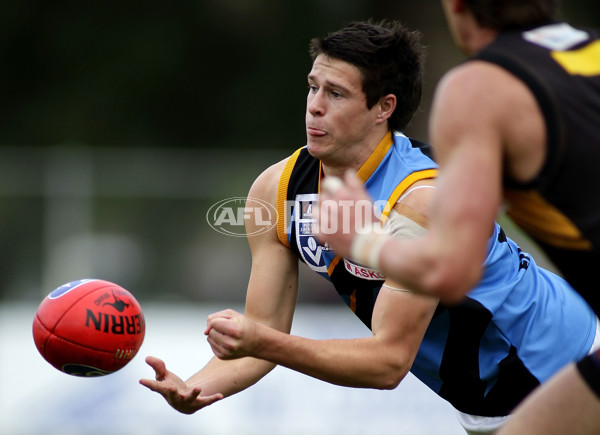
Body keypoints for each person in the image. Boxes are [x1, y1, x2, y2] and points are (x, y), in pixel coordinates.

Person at [139, 20, 598, 435]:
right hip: (486, 401)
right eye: (312, 87)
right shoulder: (276, 190)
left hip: (558, 364)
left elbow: (387, 363)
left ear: (384, 107)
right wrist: (194, 387)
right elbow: (262, 330)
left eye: (335, 94)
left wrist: (265, 342)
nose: (314, 107)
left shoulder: (420, 199)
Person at [316, 2, 600, 434]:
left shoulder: (479, 89)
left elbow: (454, 271)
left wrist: (363, 243)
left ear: (457, 6)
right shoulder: (591, 50)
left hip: (557, 351)